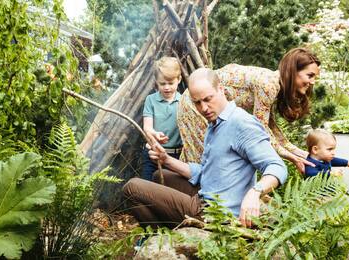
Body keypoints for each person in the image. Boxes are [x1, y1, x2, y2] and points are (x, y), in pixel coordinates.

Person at [123, 68, 288, 229]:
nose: (204, 108)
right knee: (158, 175)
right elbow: (207, 173)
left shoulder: (241, 123)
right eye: (197, 102)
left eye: (208, 99)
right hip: (208, 193)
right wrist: (166, 159)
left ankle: (162, 234)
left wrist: (255, 192)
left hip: (214, 213)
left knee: (132, 187)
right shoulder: (215, 123)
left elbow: (277, 167)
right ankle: (169, 229)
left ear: (221, 90)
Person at [178, 47, 320, 174]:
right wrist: (292, 157)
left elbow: (272, 129)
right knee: (204, 160)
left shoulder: (274, 84)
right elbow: (261, 131)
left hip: (205, 103)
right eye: (310, 75)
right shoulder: (268, 85)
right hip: (195, 102)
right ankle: (199, 201)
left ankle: (176, 190)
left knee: (200, 158)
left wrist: (303, 155)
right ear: (293, 71)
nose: (312, 82)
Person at [141, 57, 183, 181]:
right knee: (148, 188)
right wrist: (154, 134)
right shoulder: (151, 100)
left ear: (179, 79)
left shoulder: (183, 102)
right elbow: (147, 127)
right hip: (153, 153)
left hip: (176, 156)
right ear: (156, 82)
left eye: (171, 83)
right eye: (162, 83)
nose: (167, 87)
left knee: (169, 192)